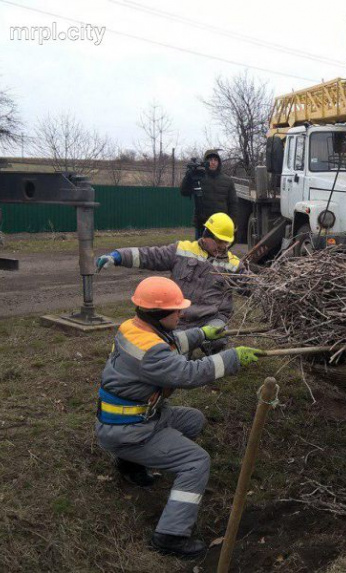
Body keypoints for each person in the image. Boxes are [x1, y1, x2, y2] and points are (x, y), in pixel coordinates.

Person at [95, 276, 261, 558]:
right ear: (160, 314)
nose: (182, 313)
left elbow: (171, 343)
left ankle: (130, 465)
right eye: (177, 310)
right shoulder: (151, 352)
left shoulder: (134, 328)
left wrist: (203, 334)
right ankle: (170, 536)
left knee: (193, 420)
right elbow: (188, 374)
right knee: (196, 462)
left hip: (129, 420)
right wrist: (233, 358)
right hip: (130, 429)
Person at [96, 213, 243, 354]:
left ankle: (211, 350)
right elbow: (151, 256)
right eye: (219, 241)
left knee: (218, 336)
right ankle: (185, 351)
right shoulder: (182, 250)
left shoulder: (233, 265)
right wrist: (118, 256)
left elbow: (250, 284)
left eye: (226, 242)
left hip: (211, 318)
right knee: (175, 351)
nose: (223, 246)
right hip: (180, 319)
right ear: (206, 236)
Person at [180, 149, 237, 240]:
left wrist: (232, 222)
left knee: (219, 251)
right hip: (202, 224)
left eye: (215, 160)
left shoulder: (227, 180)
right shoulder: (198, 177)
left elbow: (233, 203)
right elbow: (184, 192)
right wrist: (189, 176)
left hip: (220, 224)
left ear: (219, 162)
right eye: (210, 160)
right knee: (200, 252)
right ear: (205, 162)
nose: (213, 162)